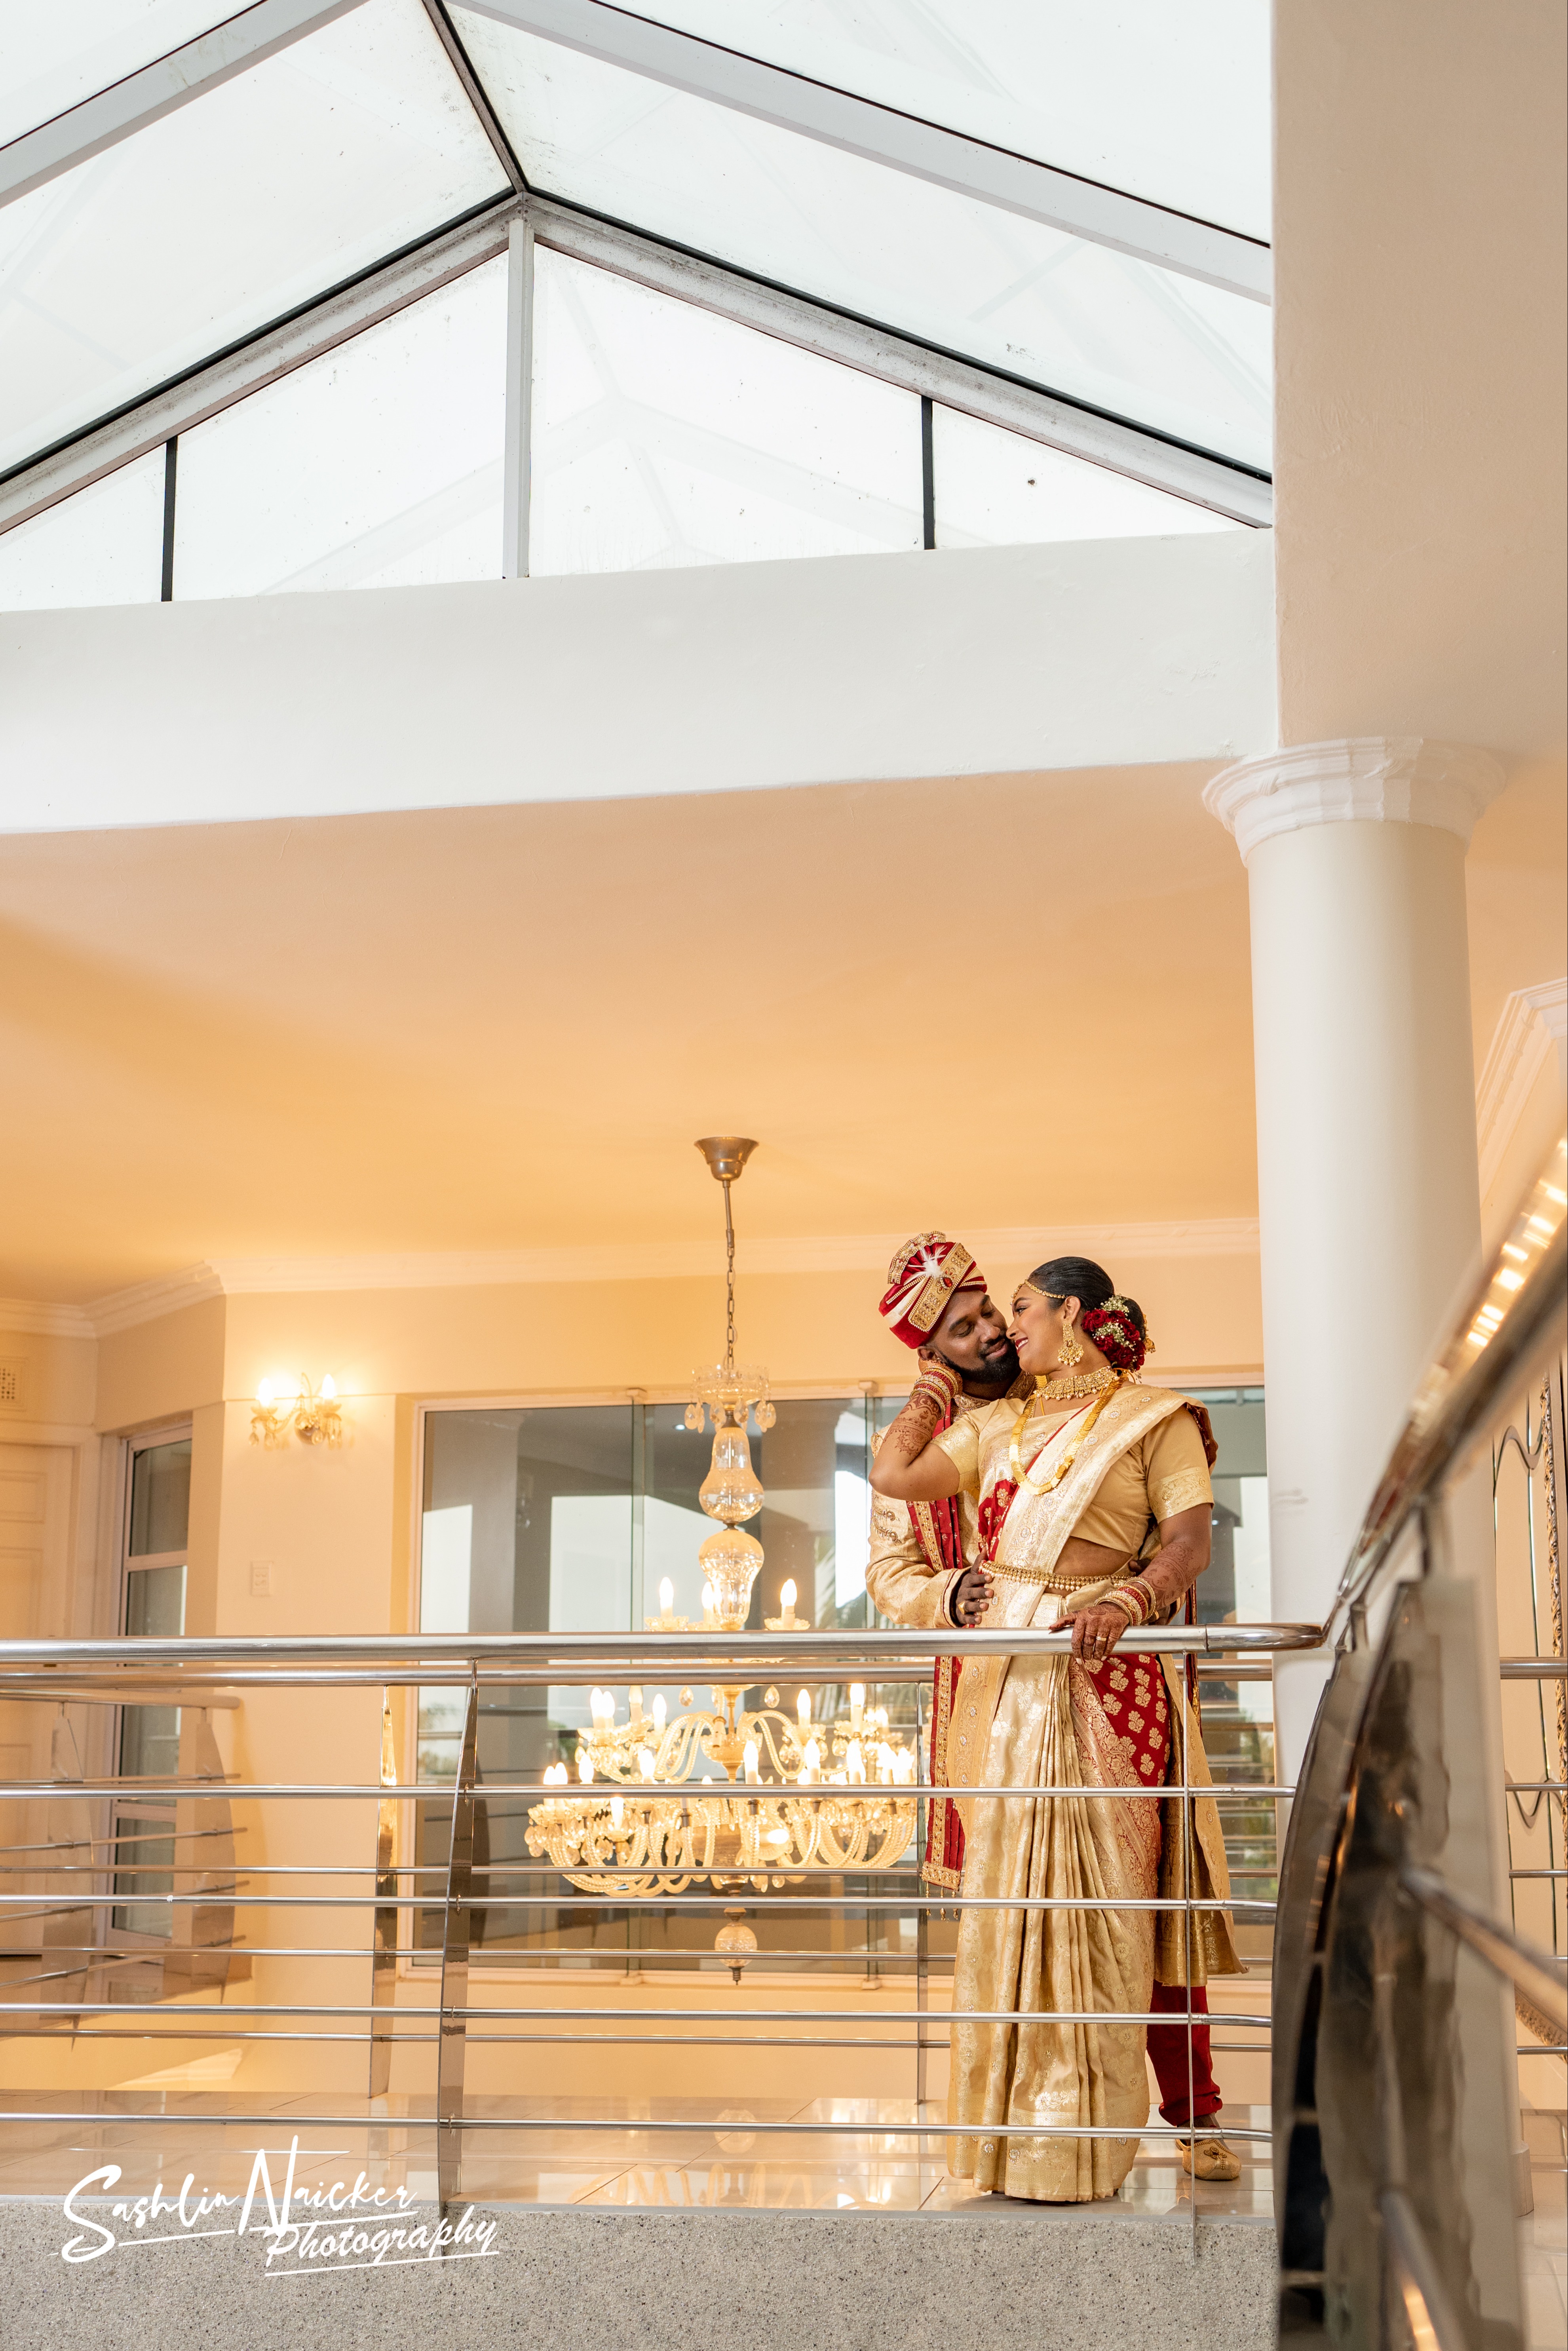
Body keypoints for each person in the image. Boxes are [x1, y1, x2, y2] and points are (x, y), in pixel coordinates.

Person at [869, 1255, 1243, 2201]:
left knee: (1126, 1902)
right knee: (1014, 1912)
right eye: (966, 1328)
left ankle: (1167, 2118)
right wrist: (932, 1383)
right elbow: (894, 1490)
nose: (998, 1330)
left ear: (1066, 1315)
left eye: (1005, 1311)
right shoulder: (990, 1425)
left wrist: (1130, 1597)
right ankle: (1021, 2136)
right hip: (1001, 1690)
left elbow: (1187, 1542)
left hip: (1110, 1675)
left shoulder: (1151, 1418)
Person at [864, 1233, 1030, 1889]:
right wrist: (948, 1595)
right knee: (1003, 1852)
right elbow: (886, 1573)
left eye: (988, 1311)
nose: (991, 1331)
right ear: (931, 1355)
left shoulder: (1059, 1397)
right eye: (963, 1330)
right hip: (982, 1657)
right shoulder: (902, 1450)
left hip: (1072, 1633)